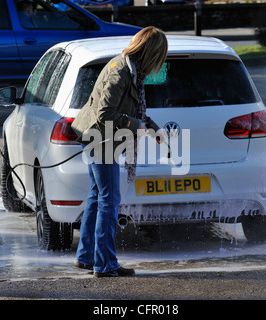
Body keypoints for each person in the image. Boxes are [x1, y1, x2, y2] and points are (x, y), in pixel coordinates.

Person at [71, 26, 168, 277]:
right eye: (160, 57)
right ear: (151, 53)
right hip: (100, 141)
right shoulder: (121, 72)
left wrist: (153, 129)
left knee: (98, 196)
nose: (159, 63)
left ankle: (86, 256)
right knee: (109, 201)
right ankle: (105, 265)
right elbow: (106, 114)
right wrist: (138, 127)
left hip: (99, 140)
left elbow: (136, 110)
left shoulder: (129, 69)